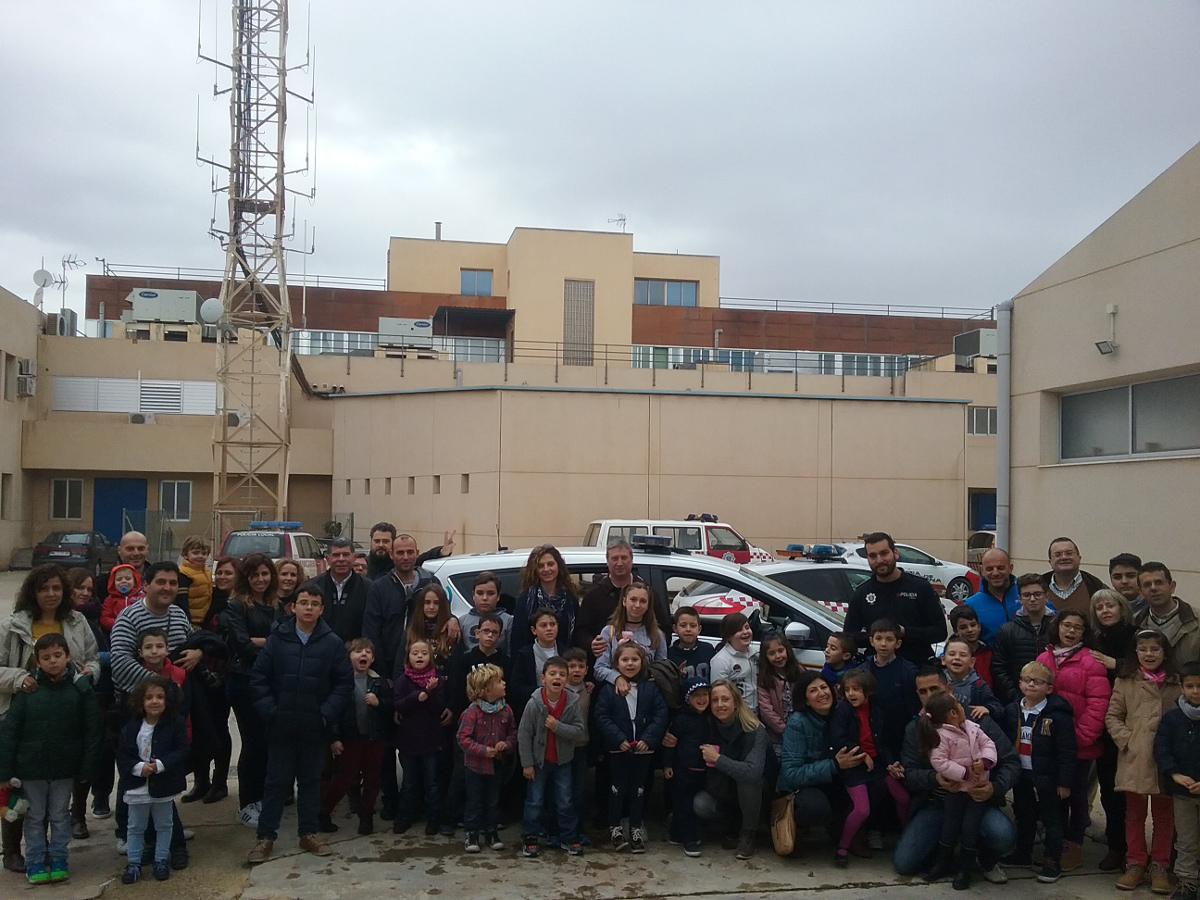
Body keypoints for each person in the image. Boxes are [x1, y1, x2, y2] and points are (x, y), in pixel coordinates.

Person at [0, 566, 101, 871]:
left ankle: (65, 836)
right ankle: (13, 851)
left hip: (67, 710)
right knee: (20, 792)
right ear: (33, 591)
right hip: (23, 712)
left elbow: (94, 658)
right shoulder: (14, 625)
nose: (51, 594)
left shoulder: (76, 620)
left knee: (60, 788)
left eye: (56, 588)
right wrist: (19, 678)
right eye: (44, 588)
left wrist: (90, 672)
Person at [246, 582, 354, 865]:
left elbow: (343, 683)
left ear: (322, 609)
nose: (308, 608)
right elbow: (258, 680)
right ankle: (266, 837)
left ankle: (308, 833)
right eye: (303, 602)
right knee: (276, 783)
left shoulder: (331, 643)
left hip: (314, 727)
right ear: (293, 607)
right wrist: (271, 711)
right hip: (280, 725)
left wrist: (325, 713)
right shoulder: (277, 639)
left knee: (310, 782)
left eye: (314, 604)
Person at [893, 668, 1018, 883]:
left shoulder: (978, 722)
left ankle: (983, 859)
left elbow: (1011, 761)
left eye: (935, 688)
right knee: (904, 863)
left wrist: (994, 788)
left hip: (977, 800)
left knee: (1003, 836)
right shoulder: (916, 729)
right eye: (923, 691)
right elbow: (910, 774)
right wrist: (935, 779)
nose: (930, 695)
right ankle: (944, 858)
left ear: (949, 689)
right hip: (937, 803)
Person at [1035, 608, 1112, 871]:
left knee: (1077, 797)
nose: (1070, 631)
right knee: (1055, 796)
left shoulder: (1091, 661)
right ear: (1057, 627)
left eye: (1077, 627)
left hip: (1080, 744)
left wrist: (1080, 738)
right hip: (1049, 744)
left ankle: (1074, 844)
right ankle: (1054, 844)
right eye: (1066, 625)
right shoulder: (1044, 658)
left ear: (1084, 632)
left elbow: (1098, 703)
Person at [1106, 629, 1181, 893]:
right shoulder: (1125, 680)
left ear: (1164, 653)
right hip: (1135, 758)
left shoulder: (1176, 682)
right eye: (1143, 649)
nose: (1149, 654)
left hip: (1167, 760)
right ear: (1135, 653)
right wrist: (1128, 740)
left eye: (1155, 649)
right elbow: (1113, 716)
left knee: (1164, 815)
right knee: (1134, 814)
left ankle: (1160, 864)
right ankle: (1135, 862)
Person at [1001, 660, 1077, 884]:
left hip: (1049, 779)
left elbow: (1067, 752)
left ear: (1049, 688)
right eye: (1026, 680)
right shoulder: (1012, 710)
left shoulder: (1059, 716)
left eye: (1038, 682)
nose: (1031, 685)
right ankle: (1022, 853)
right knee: (1024, 816)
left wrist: (1064, 782)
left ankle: (1052, 861)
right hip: (1021, 775)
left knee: (1053, 821)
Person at [219, 553, 279, 829]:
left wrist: (263, 642)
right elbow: (242, 645)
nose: (260, 579)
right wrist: (271, 644)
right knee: (251, 744)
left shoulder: (277, 604)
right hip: (244, 682)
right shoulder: (236, 606)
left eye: (265, 574)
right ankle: (246, 804)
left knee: (267, 744)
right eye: (255, 574)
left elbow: (285, 640)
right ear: (246, 577)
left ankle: (262, 799)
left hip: (270, 682)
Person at [830, 669, 910, 867]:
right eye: (847, 689)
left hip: (877, 764)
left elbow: (882, 743)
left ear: (869, 691)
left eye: (856, 689)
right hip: (853, 765)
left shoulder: (877, 711)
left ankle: (908, 837)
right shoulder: (842, 710)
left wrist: (891, 763)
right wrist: (861, 755)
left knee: (903, 798)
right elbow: (839, 739)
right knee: (862, 809)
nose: (851, 694)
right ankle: (843, 846)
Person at [918, 691, 997, 889]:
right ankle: (942, 863)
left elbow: (988, 744)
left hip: (977, 791)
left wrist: (985, 762)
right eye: (959, 705)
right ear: (953, 713)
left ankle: (965, 870)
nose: (963, 707)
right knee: (950, 827)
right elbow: (939, 762)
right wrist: (965, 774)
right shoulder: (940, 735)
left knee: (970, 828)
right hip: (957, 790)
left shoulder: (972, 727)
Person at [594, 642, 667, 855]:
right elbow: (601, 716)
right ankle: (615, 827)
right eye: (624, 660)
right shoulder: (609, 690)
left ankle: (636, 827)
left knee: (638, 789)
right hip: (619, 749)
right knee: (617, 788)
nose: (630, 664)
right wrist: (618, 738)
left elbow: (660, 715)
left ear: (642, 662)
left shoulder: (651, 688)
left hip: (644, 749)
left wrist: (648, 738)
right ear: (616, 663)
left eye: (634, 659)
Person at [117, 676, 188, 884]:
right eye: (149, 697)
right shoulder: (131, 727)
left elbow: (183, 749)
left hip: (163, 786)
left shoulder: (175, 724)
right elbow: (122, 754)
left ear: (168, 701)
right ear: (141, 702)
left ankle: (160, 860)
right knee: (135, 826)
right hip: (137, 787)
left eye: (160, 697)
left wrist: (161, 765)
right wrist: (139, 768)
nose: (154, 701)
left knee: (165, 824)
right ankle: (134, 863)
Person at [778, 671, 865, 839]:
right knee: (815, 807)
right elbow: (790, 774)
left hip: (838, 777)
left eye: (824, 687)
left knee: (871, 786)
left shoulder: (842, 713)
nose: (822, 693)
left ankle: (847, 834)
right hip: (804, 785)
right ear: (806, 701)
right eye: (813, 690)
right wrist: (834, 765)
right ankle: (798, 829)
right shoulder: (798, 722)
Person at [319, 637, 391, 837]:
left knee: (372, 780)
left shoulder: (379, 681)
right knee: (344, 778)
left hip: (374, 740)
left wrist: (379, 703)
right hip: (350, 739)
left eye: (368, 652)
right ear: (348, 656)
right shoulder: (342, 682)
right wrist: (334, 739)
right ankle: (323, 812)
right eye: (358, 651)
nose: (364, 655)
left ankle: (366, 816)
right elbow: (334, 713)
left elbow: (390, 707)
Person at [363, 534, 457, 682]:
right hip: (390, 667)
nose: (405, 557)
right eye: (400, 553)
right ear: (391, 554)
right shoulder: (378, 588)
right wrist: (383, 675)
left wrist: (453, 619)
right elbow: (371, 632)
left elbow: (444, 614)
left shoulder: (431, 581)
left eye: (410, 552)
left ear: (417, 553)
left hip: (428, 670)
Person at [843, 532, 947, 666]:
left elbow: (940, 632)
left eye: (884, 553)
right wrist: (877, 637)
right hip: (876, 673)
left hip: (918, 669)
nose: (879, 560)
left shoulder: (921, 587)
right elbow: (849, 637)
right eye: (873, 556)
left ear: (895, 553)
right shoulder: (861, 593)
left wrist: (904, 632)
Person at [692, 679, 768, 860]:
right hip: (724, 792)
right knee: (700, 804)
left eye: (725, 699)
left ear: (736, 702)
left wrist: (718, 759)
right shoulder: (707, 726)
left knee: (748, 780)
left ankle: (749, 832)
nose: (720, 705)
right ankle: (732, 825)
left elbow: (753, 772)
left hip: (758, 794)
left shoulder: (755, 730)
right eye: (715, 700)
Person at [1090, 587, 1139, 871]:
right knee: (1109, 789)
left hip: (1133, 721)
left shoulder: (1136, 635)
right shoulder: (1095, 638)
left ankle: (1137, 852)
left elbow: (1151, 668)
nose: (1105, 611)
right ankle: (1116, 846)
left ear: (1122, 607)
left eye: (1110, 605)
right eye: (1100, 608)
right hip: (1103, 722)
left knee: (1133, 791)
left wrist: (1115, 664)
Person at [519, 655, 586, 858]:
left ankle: (568, 836)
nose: (557, 677)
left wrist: (558, 727)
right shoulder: (534, 703)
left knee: (565, 800)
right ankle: (530, 836)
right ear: (543, 677)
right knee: (534, 800)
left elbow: (578, 730)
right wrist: (527, 764)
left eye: (562, 674)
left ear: (566, 680)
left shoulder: (572, 703)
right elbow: (524, 734)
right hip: (538, 763)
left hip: (563, 761)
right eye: (553, 674)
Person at [576, 540, 669, 664]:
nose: (619, 563)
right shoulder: (594, 596)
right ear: (607, 562)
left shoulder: (649, 593)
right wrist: (590, 643)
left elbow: (664, 630)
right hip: (605, 672)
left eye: (624, 558)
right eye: (615, 558)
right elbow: (580, 631)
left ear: (631, 560)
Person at [66, 567, 108, 835]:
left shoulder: (90, 620)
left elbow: (98, 655)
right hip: (51, 697)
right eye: (78, 587)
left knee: (87, 754)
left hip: (90, 693)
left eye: (89, 589)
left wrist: (93, 667)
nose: (84, 593)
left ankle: (78, 814)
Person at [1153, 660, 1200, 900]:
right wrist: (1175, 774)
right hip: (1182, 791)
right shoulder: (1172, 719)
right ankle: (1187, 882)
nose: (1195, 691)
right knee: (1186, 839)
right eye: (1190, 686)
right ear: (1181, 687)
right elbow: (1162, 748)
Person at [392, 638, 447, 835]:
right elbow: (398, 705)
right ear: (408, 657)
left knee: (432, 784)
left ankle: (434, 820)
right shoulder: (402, 681)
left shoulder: (437, 681)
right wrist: (418, 696)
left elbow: (438, 708)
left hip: (431, 742)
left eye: (424, 653)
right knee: (409, 784)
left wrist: (430, 693)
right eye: (415, 653)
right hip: (408, 743)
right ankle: (404, 818)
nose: (420, 656)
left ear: (431, 657)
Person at [458, 663, 515, 854]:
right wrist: (483, 750)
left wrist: (506, 744)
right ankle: (472, 833)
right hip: (475, 766)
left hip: (497, 766)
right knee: (474, 801)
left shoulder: (506, 710)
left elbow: (512, 733)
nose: (504, 683)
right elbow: (463, 739)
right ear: (486, 688)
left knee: (493, 801)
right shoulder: (471, 712)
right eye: (499, 681)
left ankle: (491, 832)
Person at [859, 618, 919, 764]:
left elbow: (913, 705)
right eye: (879, 639)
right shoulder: (862, 670)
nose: (883, 644)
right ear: (872, 641)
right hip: (872, 734)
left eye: (889, 639)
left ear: (898, 643)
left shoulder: (908, 671)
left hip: (899, 731)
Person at [663, 677, 711, 856]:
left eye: (705, 694)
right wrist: (667, 764)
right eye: (696, 695)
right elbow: (670, 744)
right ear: (687, 698)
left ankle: (676, 834)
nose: (701, 699)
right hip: (682, 771)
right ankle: (689, 840)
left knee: (691, 805)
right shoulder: (680, 719)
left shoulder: (709, 717)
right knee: (683, 806)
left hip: (702, 770)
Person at [991, 573, 1054, 703]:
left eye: (1037, 594)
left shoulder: (1057, 628)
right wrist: (1017, 698)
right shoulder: (1008, 630)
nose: (1032, 599)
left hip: (1051, 699)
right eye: (1026, 595)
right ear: (1019, 598)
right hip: (1017, 700)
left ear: (1047, 596)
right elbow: (999, 669)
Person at [593, 582, 668, 690]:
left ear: (648, 605)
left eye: (643, 601)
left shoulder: (657, 634)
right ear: (624, 601)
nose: (637, 605)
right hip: (616, 695)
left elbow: (663, 669)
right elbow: (599, 669)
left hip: (646, 694)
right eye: (633, 599)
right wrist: (616, 677)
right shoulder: (609, 632)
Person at [511, 545, 579, 655]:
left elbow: (576, 635)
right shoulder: (526, 599)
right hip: (532, 663)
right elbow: (518, 639)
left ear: (558, 566)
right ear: (535, 570)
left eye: (550, 564)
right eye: (541, 566)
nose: (546, 569)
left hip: (564, 661)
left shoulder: (570, 599)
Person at [1134, 562, 1200, 666]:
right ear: (1140, 592)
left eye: (1159, 582)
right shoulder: (1134, 624)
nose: (1153, 588)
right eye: (1147, 585)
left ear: (1172, 586)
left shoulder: (1197, 620)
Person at [511, 608, 564, 725]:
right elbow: (516, 687)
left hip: (562, 711)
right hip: (533, 712)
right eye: (543, 625)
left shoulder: (565, 652)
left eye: (552, 624)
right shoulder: (525, 655)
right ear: (534, 630)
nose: (549, 628)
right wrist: (543, 692)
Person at [315, 538, 372, 642]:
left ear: (354, 557)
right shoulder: (314, 587)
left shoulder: (369, 589)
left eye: (346, 555)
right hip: (320, 652)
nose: (341, 559)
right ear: (327, 559)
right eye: (336, 555)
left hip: (355, 652)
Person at [757, 632, 801, 756]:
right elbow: (766, 710)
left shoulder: (798, 671)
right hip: (778, 737)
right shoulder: (764, 679)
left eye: (780, 650)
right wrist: (785, 729)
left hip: (800, 731)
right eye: (771, 653)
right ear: (765, 657)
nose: (778, 656)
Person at [965, 548, 1019, 645]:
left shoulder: (1027, 596)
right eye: (989, 569)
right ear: (982, 570)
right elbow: (962, 639)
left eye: (1000, 568)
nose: (995, 573)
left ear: (1010, 568)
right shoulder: (971, 604)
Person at [1041, 537, 1106, 614]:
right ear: (1050, 561)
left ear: (1079, 558)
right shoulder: (1038, 588)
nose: (1064, 557)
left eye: (1069, 553)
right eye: (1058, 555)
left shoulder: (1096, 587)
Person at [942, 636, 1002, 719]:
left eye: (963, 655)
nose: (957, 658)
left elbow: (997, 707)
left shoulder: (978, 684)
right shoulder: (937, 681)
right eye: (952, 654)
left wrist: (987, 708)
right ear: (943, 659)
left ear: (972, 662)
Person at [710, 612, 758, 711]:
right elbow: (719, 694)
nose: (745, 632)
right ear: (728, 636)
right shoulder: (721, 661)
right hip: (737, 714)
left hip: (758, 711)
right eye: (739, 630)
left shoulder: (756, 654)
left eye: (747, 627)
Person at [405, 583, 458, 673]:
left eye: (436, 603)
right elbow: (400, 664)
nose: (431, 607)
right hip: (413, 685)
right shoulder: (412, 629)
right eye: (427, 602)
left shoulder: (451, 629)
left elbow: (457, 666)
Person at [457, 572, 514, 656]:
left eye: (490, 593)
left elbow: (510, 653)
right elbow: (459, 655)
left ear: (498, 596)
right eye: (480, 593)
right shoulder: (462, 621)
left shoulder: (508, 620)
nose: (485, 598)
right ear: (473, 595)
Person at [949, 606, 993, 689]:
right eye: (963, 627)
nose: (970, 630)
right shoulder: (950, 656)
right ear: (955, 631)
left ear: (979, 626)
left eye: (973, 625)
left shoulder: (988, 652)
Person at [176, 535, 214, 628]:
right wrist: (187, 620)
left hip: (203, 618)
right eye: (195, 553)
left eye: (204, 553)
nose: (200, 556)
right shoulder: (184, 573)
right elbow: (181, 601)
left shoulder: (206, 572)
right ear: (186, 555)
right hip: (190, 620)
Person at [669, 606, 714, 682]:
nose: (688, 629)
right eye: (683, 625)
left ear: (699, 629)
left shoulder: (708, 650)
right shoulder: (669, 655)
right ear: (675, 628)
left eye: (693, 626)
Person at [101, 564, 146, 632]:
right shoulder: (110, 600)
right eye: (119, 579)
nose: (123, 581)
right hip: (118, 631)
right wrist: (121, 623)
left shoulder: (142, 597)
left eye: (128, 578)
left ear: (135, 581)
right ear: (113, 583)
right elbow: (104, 619)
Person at [1109, 553, 1147, 617]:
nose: (1124, 581)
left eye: (1131, 576)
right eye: (1117, 577)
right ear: (1111, 580)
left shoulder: (1154, 607)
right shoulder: (1105, 610)